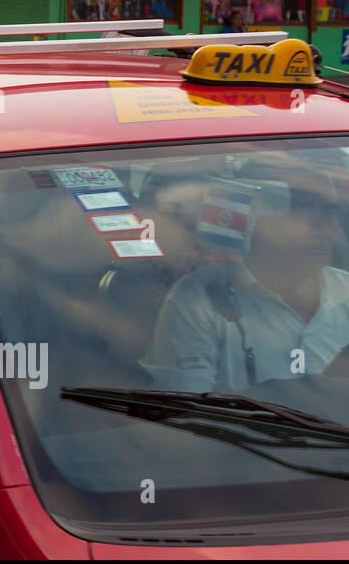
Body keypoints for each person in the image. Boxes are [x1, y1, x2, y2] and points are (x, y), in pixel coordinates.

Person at [143, 157, 349, 393]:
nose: (324, 226)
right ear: (251, 216)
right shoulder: (199, 301)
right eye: (300, 207)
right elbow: (187, 416)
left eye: (331, 211)